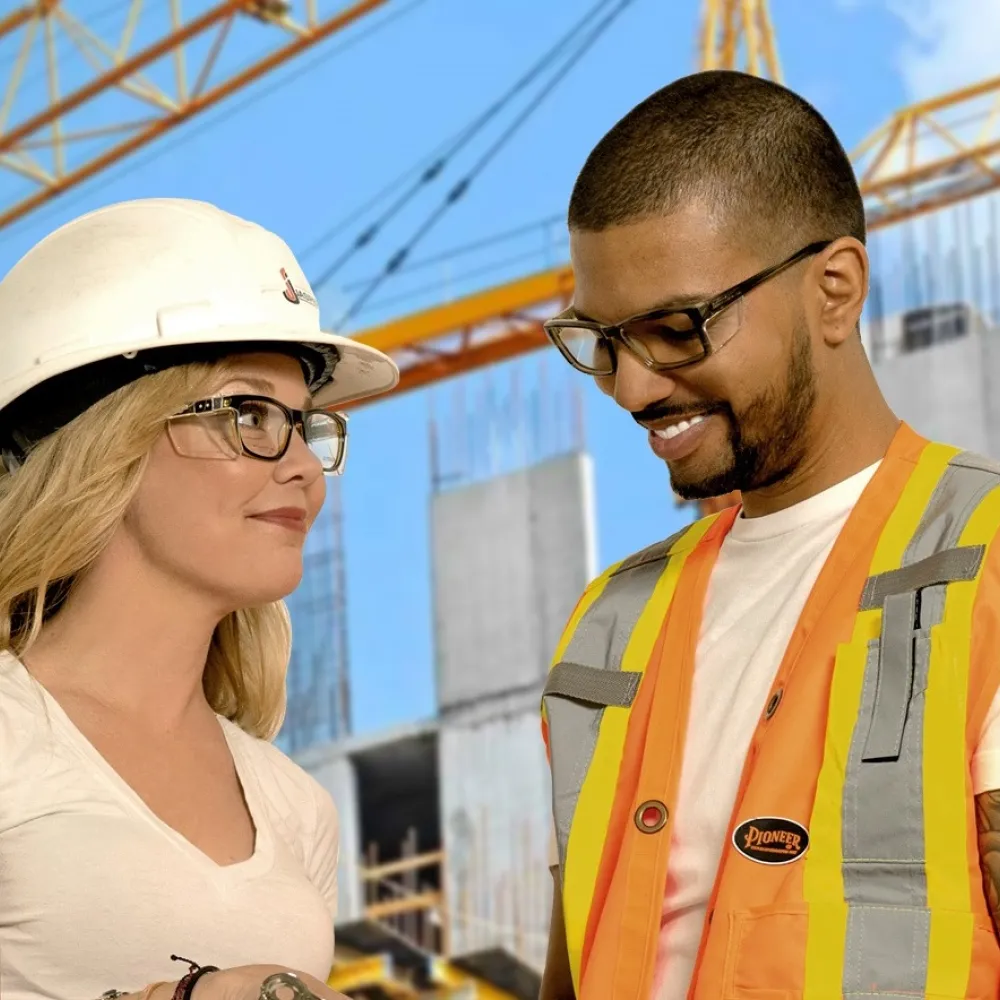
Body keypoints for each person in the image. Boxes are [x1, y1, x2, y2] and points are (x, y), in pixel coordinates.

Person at [537, 71, 1000, 999]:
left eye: (677, 329)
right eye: (602, 342)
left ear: (835, 289)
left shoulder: (986, 563)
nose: (632, 388)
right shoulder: (610, 626)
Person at [0, 198, 400, 1000]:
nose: (304, 468)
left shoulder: (297, 808)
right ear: (106, 436)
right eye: (248, 413)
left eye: (306, 426)